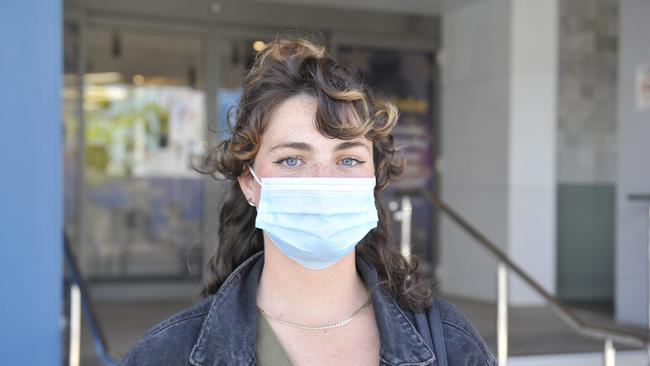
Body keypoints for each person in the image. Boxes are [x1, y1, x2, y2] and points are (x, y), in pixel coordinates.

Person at [120, 38, 496, 366]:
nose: (322, 181)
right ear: (250, 183)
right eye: (291, 160)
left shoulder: (449, 343)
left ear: (374, 180)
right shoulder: (168, 353)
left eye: (348, 159)